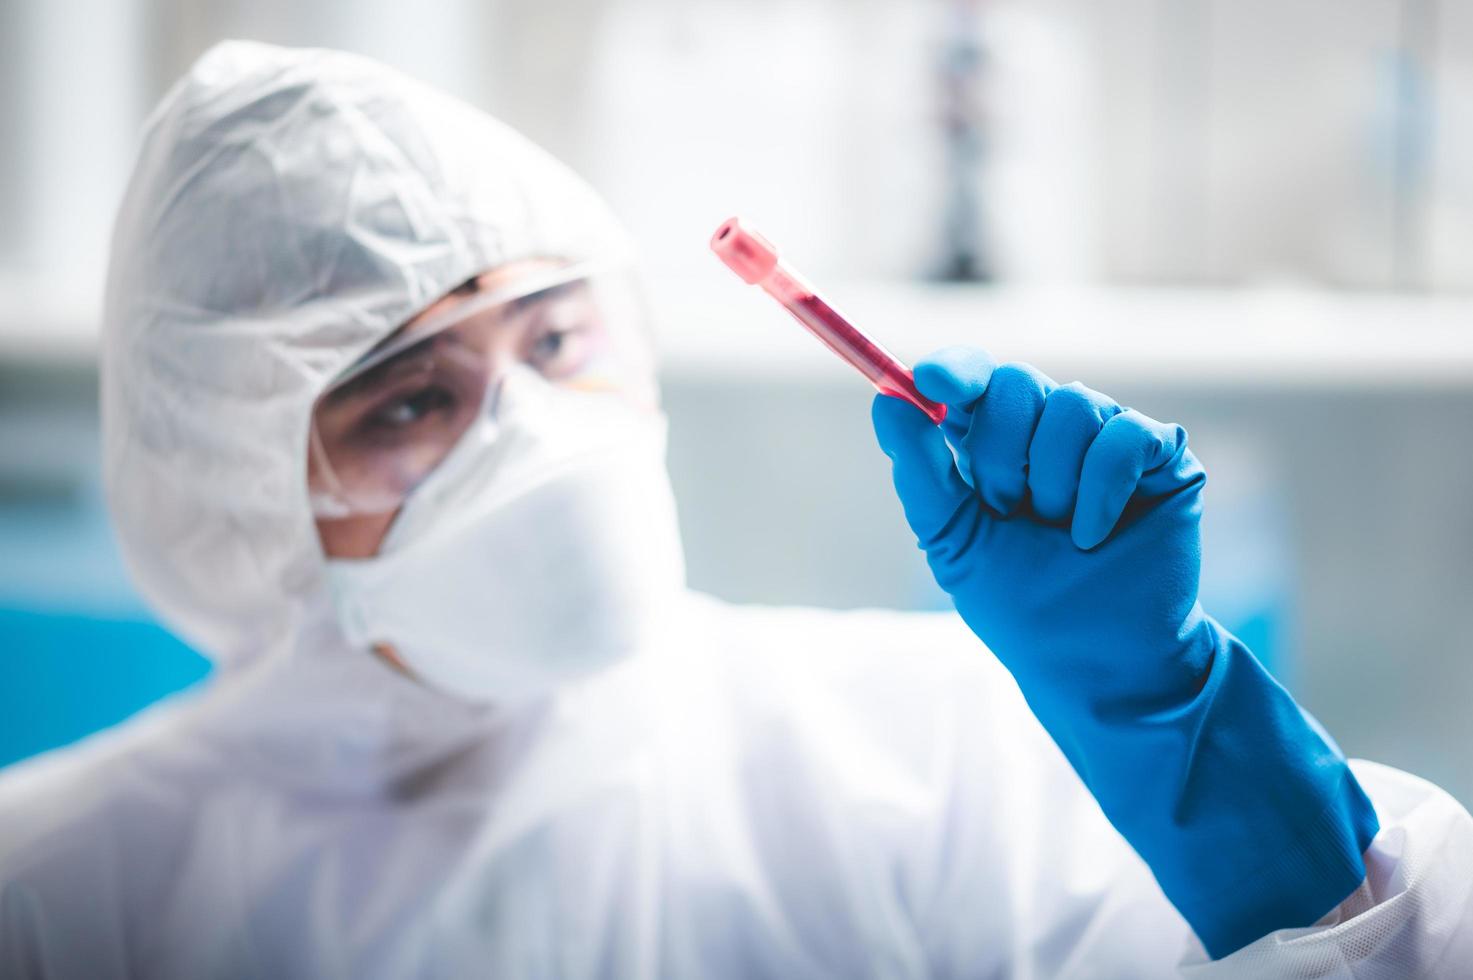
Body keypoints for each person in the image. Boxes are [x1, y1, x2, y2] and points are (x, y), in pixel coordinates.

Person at [0, 40, 1469, 978]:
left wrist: (1192, 736)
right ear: (242, 488)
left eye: (554, 339)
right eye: (406, 399)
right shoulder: (60, 895)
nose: (530, 435)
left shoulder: (924, 749)